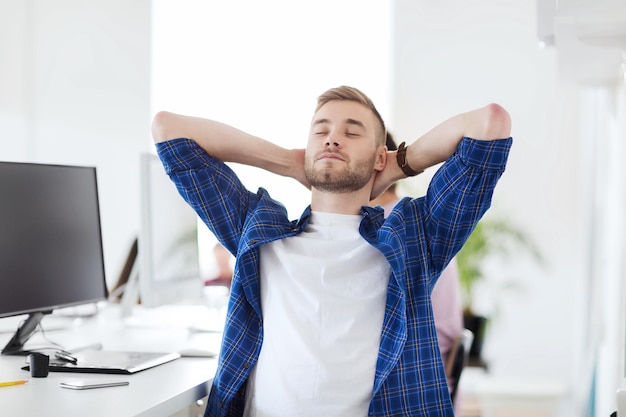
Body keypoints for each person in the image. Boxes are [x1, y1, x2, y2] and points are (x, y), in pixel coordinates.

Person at [151, 86, 512, 417]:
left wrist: (399, 165)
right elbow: (169, 130)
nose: (333, 139)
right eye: (320, 131)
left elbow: (490, 123)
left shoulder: (414, 239)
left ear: (378, 157)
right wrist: (286, 161)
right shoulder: (259, 230)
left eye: (352, 132)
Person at [369, 133, 464, 391]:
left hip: (414, 383)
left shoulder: (392, 227)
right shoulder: (407, 216)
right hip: (438, 375)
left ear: (380, 162)